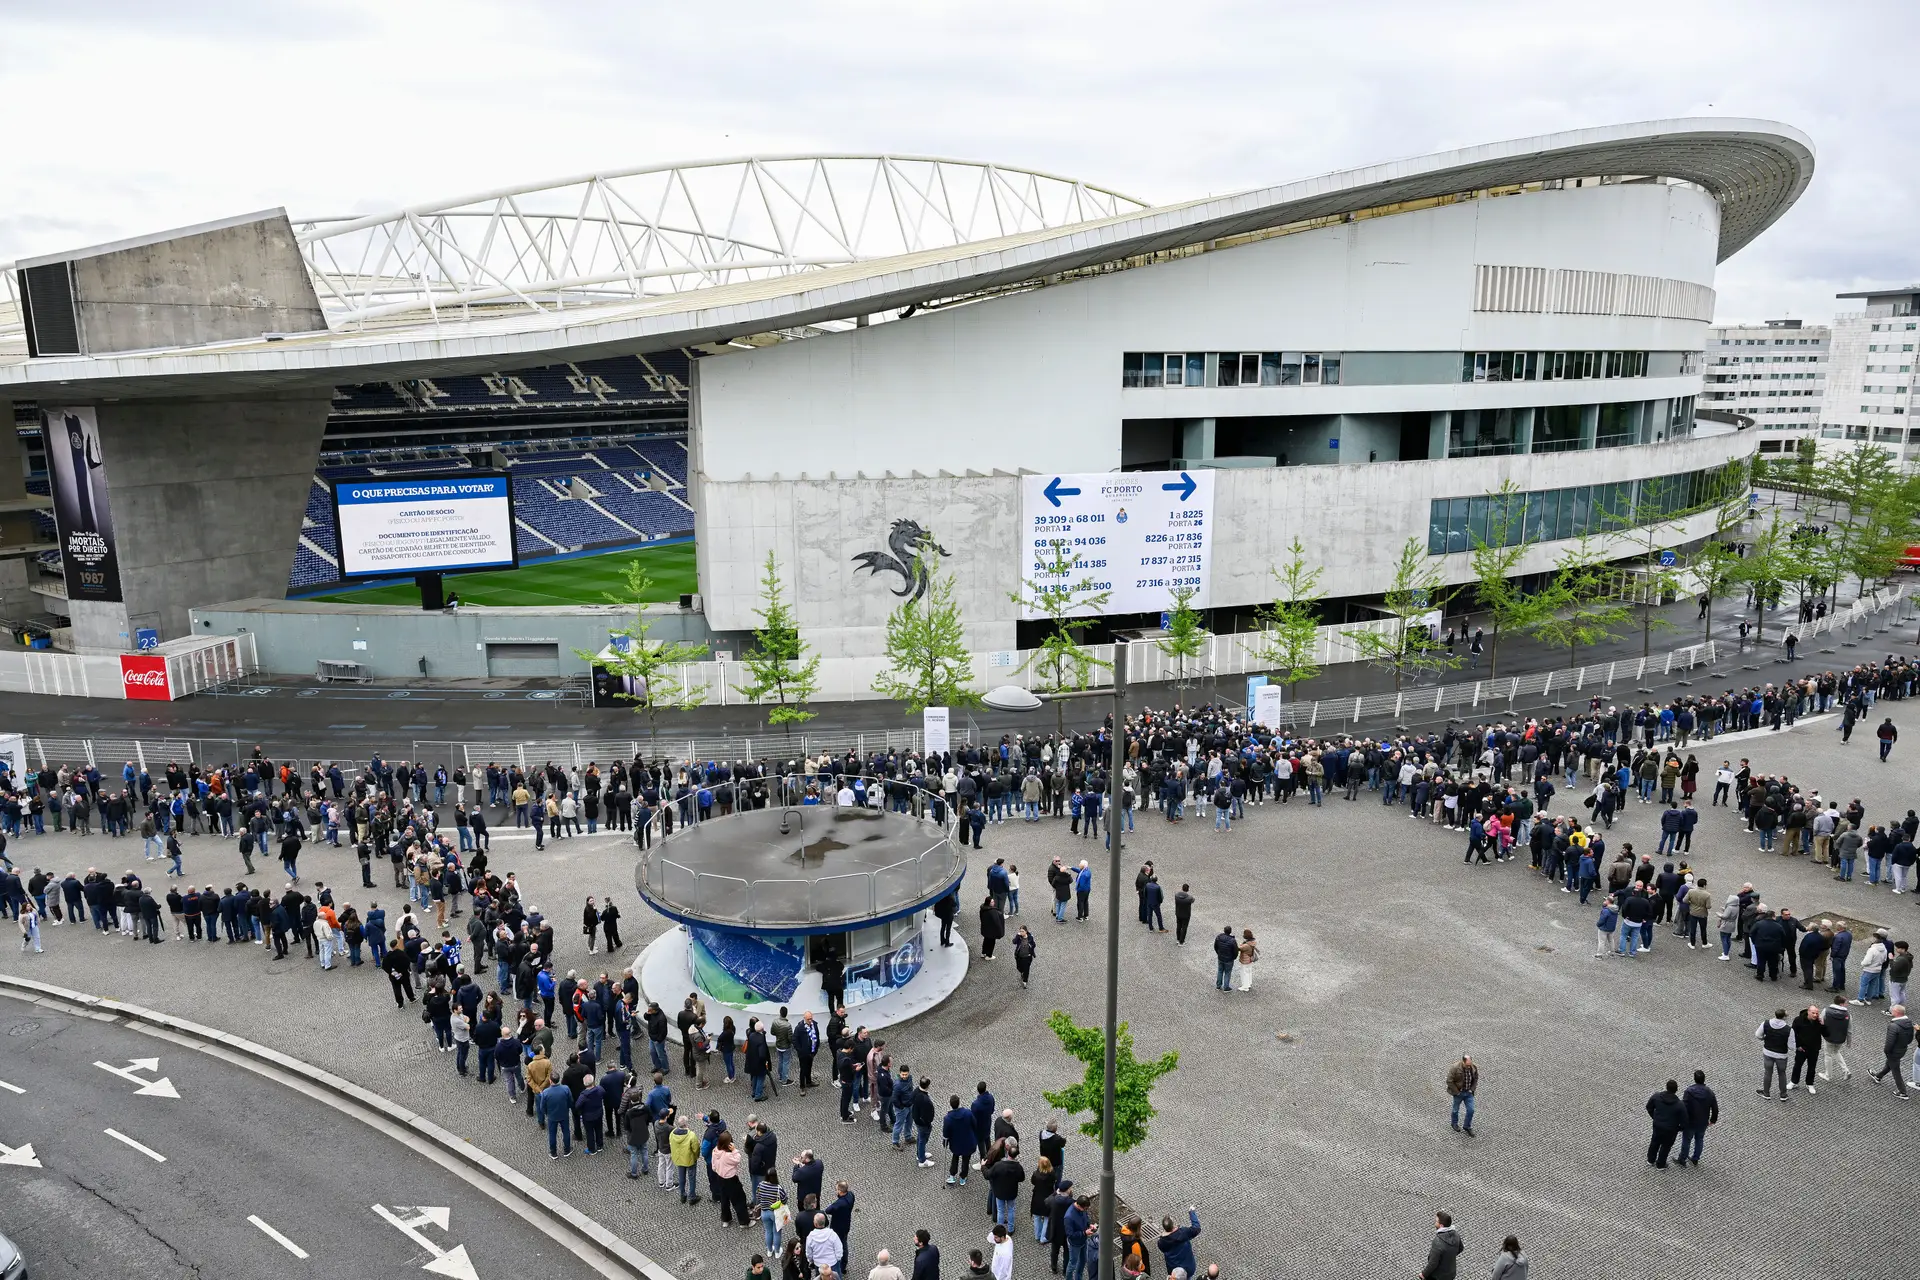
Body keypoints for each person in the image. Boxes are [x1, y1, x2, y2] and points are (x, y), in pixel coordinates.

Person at [1870, 1004, 1914, 1098]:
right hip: (1902, 1049)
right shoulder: (1909, 1023)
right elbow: (1910, 1039)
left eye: (1892, 1010)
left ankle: (1903, 1092)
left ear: (1897, 1013)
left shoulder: (1893, 1026)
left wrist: (1886, 1051)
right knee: (1891, 1064)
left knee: (1895, 1069)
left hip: (1893, 1051)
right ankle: (1878, 1076)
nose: (1891, 1011)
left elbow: (1889, 1042)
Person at [1677, 1070, 1717, 1166]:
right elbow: (1715, 1108)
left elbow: (1684, 1106)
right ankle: (1696, 1158)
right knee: (1699, 1140)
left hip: (1690, 1121)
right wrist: (1712, 1120)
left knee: (1686, 1140)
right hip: (1703, 1122)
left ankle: (1682, 1159)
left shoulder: (1689, 1091)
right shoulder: (1709, 1092)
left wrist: (1680, 1120)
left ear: (1694, 1079)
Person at [1644, 1079, 1685, 1167]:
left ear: (1666, 1087)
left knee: (1654, 1142)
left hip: (1658, 1126)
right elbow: (1684, 1120)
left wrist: (1655, 1117)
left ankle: (1651, 1160)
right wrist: (1678, 1128)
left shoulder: (1656, 1096)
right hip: (1671, 1129)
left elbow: (1649, 1107)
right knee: (1666, 1147)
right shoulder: (1680, 1105)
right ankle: (1660, 1164)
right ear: (1676, 1090)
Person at [1756, 1009, 1791, 1098]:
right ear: (1784, 1017)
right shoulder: (1788, 1029)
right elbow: (1792, 1045)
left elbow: (1758, 1035)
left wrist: (1763, 1038)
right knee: (1782, 1073)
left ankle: (1766, 1093)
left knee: (1768, 1073)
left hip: (1768, 1052)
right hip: (1781, 1055)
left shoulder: (1766, 1023)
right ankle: (1783, 1095)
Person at [1157, 1208, 1200, 1279]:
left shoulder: (1161, 1242)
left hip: (1173, 1270)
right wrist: (1192, 1212)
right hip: (1188, 1268)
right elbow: (1196, 1228)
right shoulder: (1183, 1233)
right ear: (1174, 1226)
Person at [1420, 1212, 1462, 1280]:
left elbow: (1433, 1263)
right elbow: (1460, 1248)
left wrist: (1423, 1274)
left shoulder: (1438, 1242)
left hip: (1437, 1276)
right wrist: (1448, 1258)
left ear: (1441, 1225)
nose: (1435, 1223)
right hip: (1450, 1273)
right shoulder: (1456, 1234)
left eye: (1436, 1221)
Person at [1446, 1055, 1477, 1135]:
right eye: (1467, 1064)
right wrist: (1457, 1092)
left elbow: (1475, 1078)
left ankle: (1467, 1126)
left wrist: (1472, 1089)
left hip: (1468, 1093)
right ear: (1463, 1061)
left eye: (1470, 1064)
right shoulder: (1455, 1068)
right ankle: (1454, 1123)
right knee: (1455, 1110)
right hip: (1459, 1093)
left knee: (1471, 1110)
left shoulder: (1473, 1067)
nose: (1469, 1066)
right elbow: (1449, 1081)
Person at [1212, 926, 1237, 991]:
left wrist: (1218, 953)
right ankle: (1226, 987)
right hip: (1229, 960)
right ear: (1230, 931)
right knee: (1227, 973)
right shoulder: (1232, 940)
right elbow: (1235, 951)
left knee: (1220, 971)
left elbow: (1215, 947)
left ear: (1224, 930)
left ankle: (1218, 985)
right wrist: (1233, 958)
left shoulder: (1218, 937)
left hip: (1220, 958)